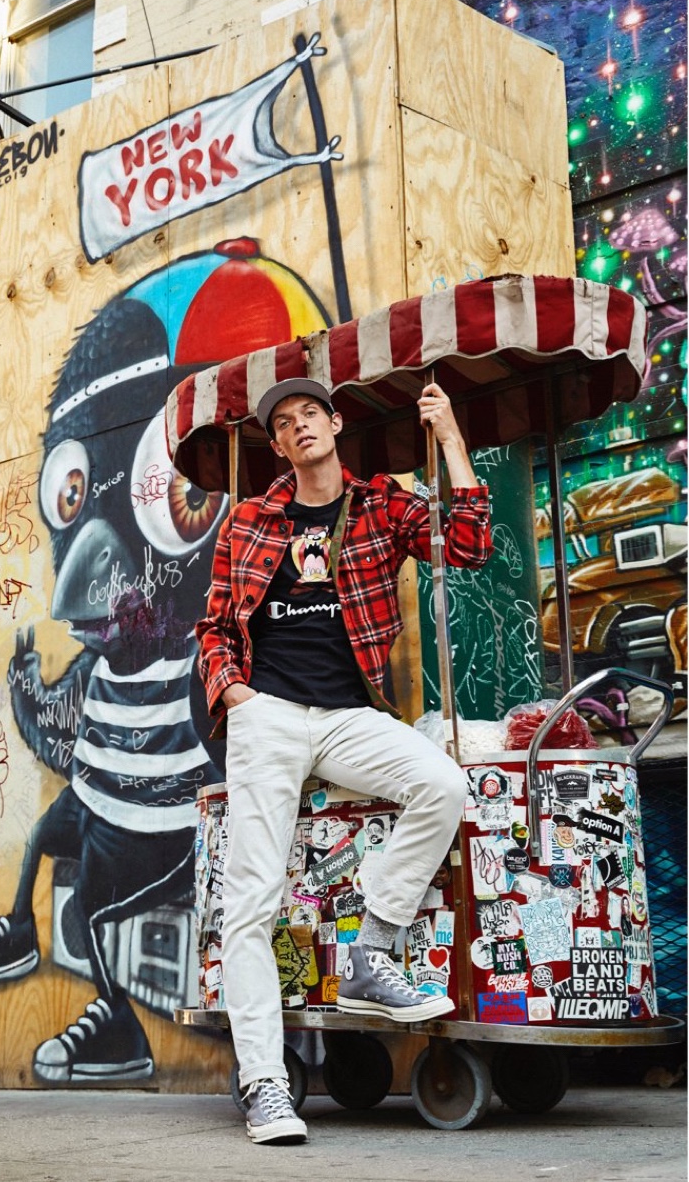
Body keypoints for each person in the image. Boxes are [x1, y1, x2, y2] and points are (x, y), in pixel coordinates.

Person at [195, 376, 493, 1144]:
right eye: (284, 425)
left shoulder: (380, 505)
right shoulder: (253, 520)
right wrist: (235, 696)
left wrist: (451, 435)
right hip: (268, 715)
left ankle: (372, 947)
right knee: (251, 901)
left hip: (349, 714)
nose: (298, 430)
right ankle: (264, 1082)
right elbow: (215, 627)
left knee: (441, 782)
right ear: (280, 445)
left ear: (334, 424)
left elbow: (467, 543)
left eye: (308, 416)